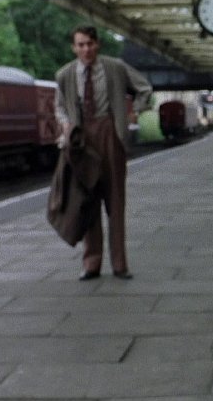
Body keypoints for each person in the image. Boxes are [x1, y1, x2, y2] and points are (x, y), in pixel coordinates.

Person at [55, 25, 152, 281]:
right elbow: (59, 106)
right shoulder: (65, 75)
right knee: (87, 200)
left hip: (110, 134)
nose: (86, 49)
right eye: (81, 45)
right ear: (74, 48)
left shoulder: (115, 67)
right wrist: (65, 124)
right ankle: (91, 264)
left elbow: (144, 88)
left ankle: (120, 265)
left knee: (115, 200)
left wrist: (134, 112)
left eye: (90, 44)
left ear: (97, 44)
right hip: (81, 140)